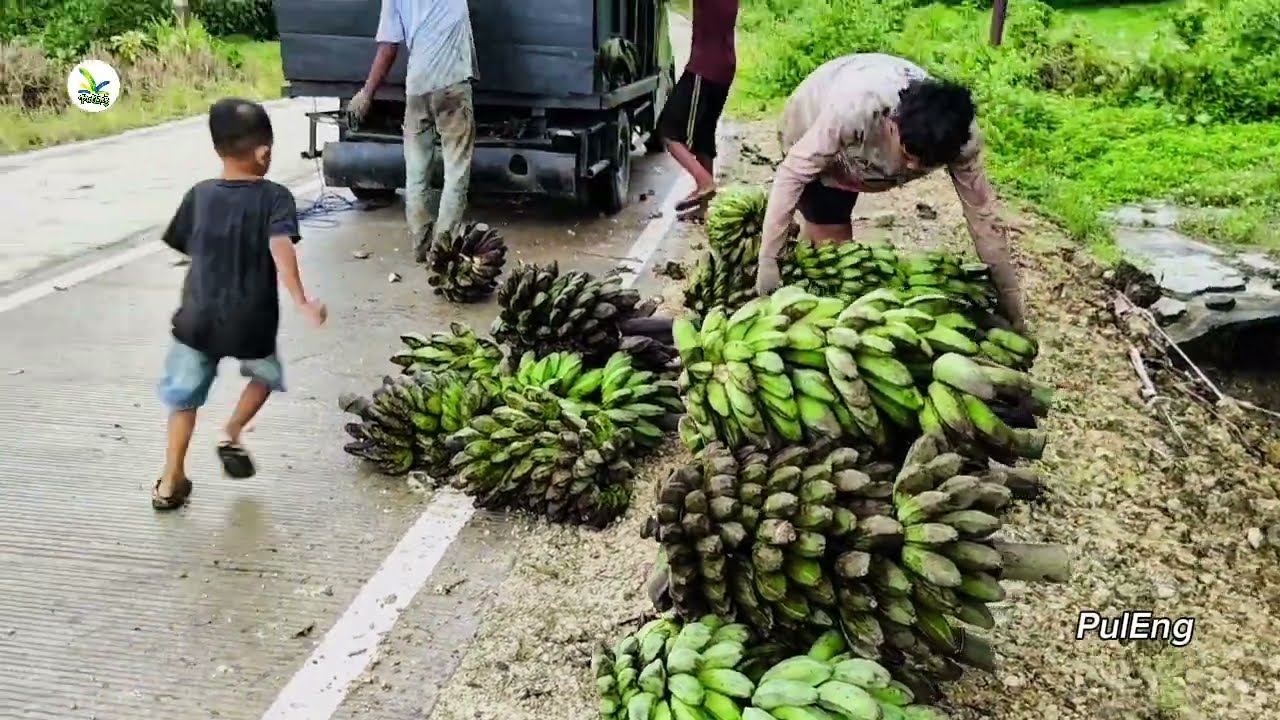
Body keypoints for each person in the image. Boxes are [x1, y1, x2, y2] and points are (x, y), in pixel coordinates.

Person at [754, 53, 1026, 331]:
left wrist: (1009, 297)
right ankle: (800, 297)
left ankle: (804, 257)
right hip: (811, 126)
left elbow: (983, 217)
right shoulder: (856, 109)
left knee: (836, 252)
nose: (911, 167)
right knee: (833, 249)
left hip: (863, 154)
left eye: (925, 165)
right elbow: (792, 174)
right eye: (907, 154)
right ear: (894, 124)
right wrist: (768, 259)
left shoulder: (962, 140)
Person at [152, 98, 327, 511]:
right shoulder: (276, 197)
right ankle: (231, 431)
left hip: (197, 319)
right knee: (265, 375)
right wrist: (302, 300)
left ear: (217, 150)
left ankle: (171, 479)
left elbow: (185, 246)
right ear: (264, 152)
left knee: (183, 400)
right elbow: (280, 245)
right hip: (251, 320)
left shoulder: (198, 195)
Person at [349, 0, 478, 263]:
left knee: (416, 172)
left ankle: (421, 244)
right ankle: (442, 250)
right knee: (456, 170)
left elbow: (388, 48)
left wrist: (367, 93)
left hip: (417, 88)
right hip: (452, 85)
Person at [658, 0, 740, 221]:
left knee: (670, 131)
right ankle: (705, 207)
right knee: (704, 135)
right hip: (725, 66)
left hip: (704, 68)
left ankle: (704, 182)